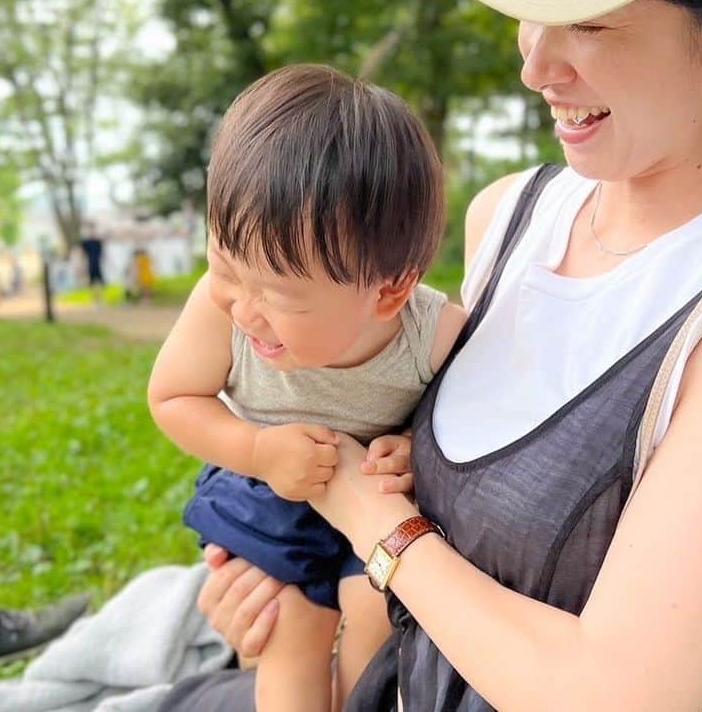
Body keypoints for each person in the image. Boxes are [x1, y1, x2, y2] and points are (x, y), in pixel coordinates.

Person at [164, 0, 702, 710]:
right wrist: (274, 577)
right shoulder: (509, 214)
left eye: (590, 25)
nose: (537, 66)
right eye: (530, 17)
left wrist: (368, 515)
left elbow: (617, 695)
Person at [147, 65, 466, 712]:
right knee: (292, 623)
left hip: (368, 508)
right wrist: (259, 451)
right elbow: (173, 399)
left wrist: (409, 448)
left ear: (388, 291)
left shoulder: (436, 335)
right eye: (224, 267)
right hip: (262, 486)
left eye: (279, 295)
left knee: (374, 607)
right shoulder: (220, 314)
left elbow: (461, 423)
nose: (244, 307)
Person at [79, 224, 106, 305]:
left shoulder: (98, 242)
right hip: (90, 265)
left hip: (98, 265)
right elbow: (82, 253)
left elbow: (102, 253)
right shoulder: (86, 243)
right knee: (92, 283)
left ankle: (100, 299)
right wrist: (82, 265)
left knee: (100, 283)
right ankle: (94, 300)